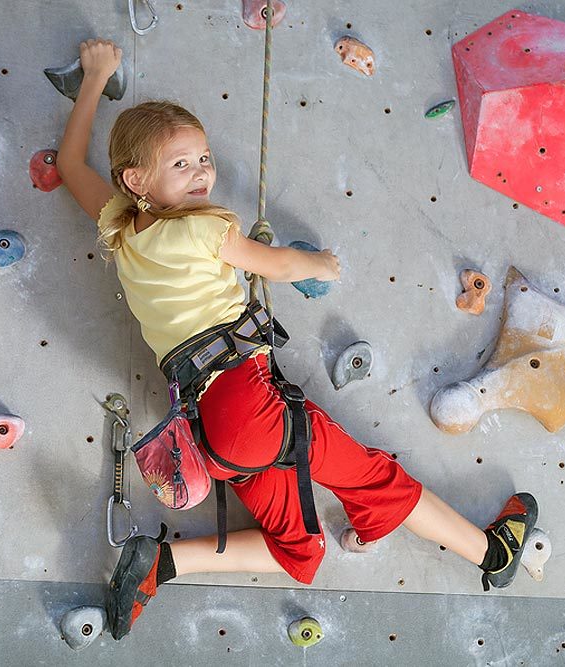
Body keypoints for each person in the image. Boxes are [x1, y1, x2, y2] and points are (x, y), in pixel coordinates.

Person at [57, 39, 539, 640]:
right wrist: (321, 266)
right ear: (137, 179)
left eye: (203, 158)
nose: (203, 172)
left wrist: (95, 78)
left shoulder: (121, 228)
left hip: (212, 425)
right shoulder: (208, 228)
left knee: (300, 553)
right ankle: (493, 554)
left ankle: (163, 563)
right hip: (246, 407)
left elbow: (71, 165)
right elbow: (274, 264)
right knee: (375, 480)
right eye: (182, 164)